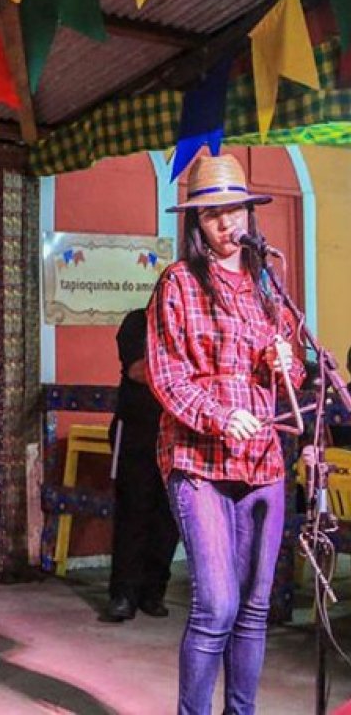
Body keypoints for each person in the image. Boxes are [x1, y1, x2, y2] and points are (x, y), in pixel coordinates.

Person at [146, 152, 303, 715]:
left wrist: (288, 361)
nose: (226, 223)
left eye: (234, 209)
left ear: (248, 212)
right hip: (198, 460)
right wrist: (218, 415)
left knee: (254, 609)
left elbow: (296, 371)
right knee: (216, 605)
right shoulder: (178, 284)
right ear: (196, 222)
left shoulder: (268, 284)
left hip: (264, 460)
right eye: (212, 214)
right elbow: (166, 376)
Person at [102, 307, 179, 622]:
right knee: (133, 513)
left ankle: (153, 592)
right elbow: (137, 370)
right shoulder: (137, 322)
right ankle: (124, 595)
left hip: (175, 434)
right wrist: (181, 372)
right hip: (135, 432)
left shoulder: (184, 322)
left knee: (168, 517)